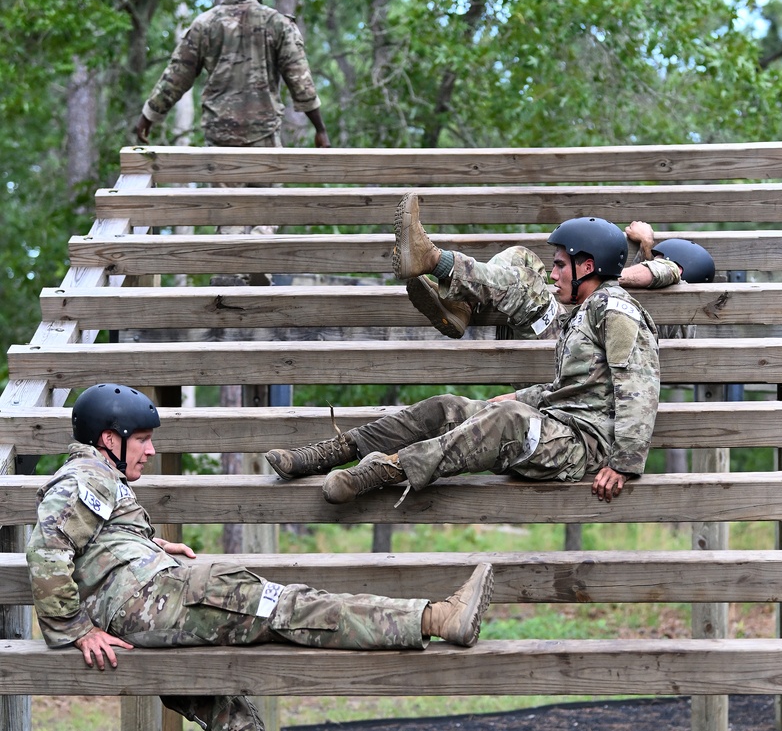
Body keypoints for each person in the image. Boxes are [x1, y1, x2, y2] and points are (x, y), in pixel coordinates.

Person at [27, 383, 494, 731]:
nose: (151, 450)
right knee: (295, 607)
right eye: (142, 439)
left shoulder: (96, 478)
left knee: (221, 707)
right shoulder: (85, 477)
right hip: (159, 601)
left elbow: (90, 542)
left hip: (152, 600)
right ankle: (434, 618)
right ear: (110, 440)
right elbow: (47, 547)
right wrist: (75, 630)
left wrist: (147, 544)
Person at [265, 196, 661, 506]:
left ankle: (387, 470)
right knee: (446, 408)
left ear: (588, 266)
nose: (553, 274)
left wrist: (623, 464)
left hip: (582, 449)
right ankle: (334, 451)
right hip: (558, 424)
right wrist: (507, 399)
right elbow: (575, 389)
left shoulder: (615, 309)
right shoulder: (584, 312)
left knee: (506, 418)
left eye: (559, 266)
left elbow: (638, 387)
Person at [136, 0, 330, 152]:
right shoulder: (278, 24)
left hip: (220, 139)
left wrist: (148, 117)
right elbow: (301, 83)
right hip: (263, 139)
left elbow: (176, 77)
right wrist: (320, 129)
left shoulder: (205, 24)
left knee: (224, 180)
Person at [402, 218, 715, 340]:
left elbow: (663, 271)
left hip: (569, 347)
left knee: (527, 288)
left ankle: (435, 260)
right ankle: (462, 308)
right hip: (569, 332)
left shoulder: (679, 289)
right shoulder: (661, 302)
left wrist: (645, 244)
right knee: (519, 257)